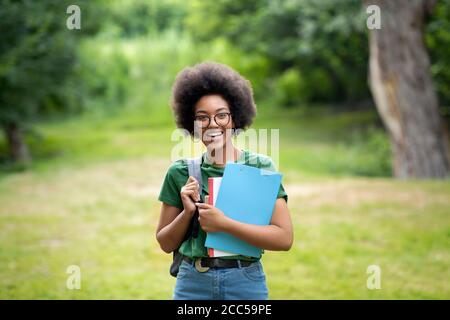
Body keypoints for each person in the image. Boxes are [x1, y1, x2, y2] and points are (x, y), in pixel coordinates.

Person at [156, 61, 293, 300]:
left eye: (221, 115)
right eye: (202, 117)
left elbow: (284, 238)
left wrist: (225, 224)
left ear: (235, 118)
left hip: (245, 282)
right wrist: (187, 212)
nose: (212, 124)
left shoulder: (259, 168)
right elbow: (165, 243)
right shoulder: (179, 172)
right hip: (192, 284)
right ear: (193, 125)